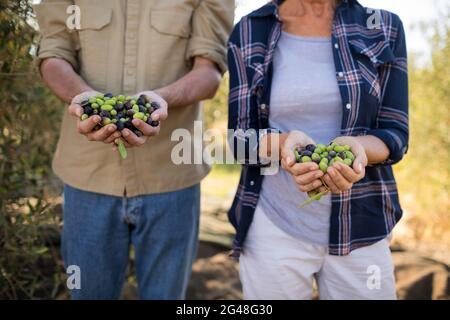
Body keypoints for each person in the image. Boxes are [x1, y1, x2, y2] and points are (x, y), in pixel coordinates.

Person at [35, 0, 234, 299]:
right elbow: (52, 54)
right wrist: (84, 100)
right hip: (87, 176)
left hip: (172, 176)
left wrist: (161, 99)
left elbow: (210, 72)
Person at [228, 0, 408, 299]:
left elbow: (396, 133)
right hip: (274, 225)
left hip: (362, 225)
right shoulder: (249, 30)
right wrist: (285, 145)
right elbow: (240, 139)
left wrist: (356, 150)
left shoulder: (384, 26)